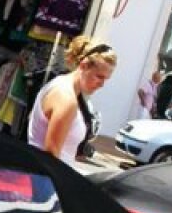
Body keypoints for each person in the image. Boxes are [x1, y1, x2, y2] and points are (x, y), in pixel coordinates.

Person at [27, 36, 117, 165]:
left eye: (105, 79)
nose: (101, 84)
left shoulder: (62, 87)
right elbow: (51, 157)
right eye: (99, 77)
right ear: (83, 65)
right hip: (48, 179)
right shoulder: (66, 98)